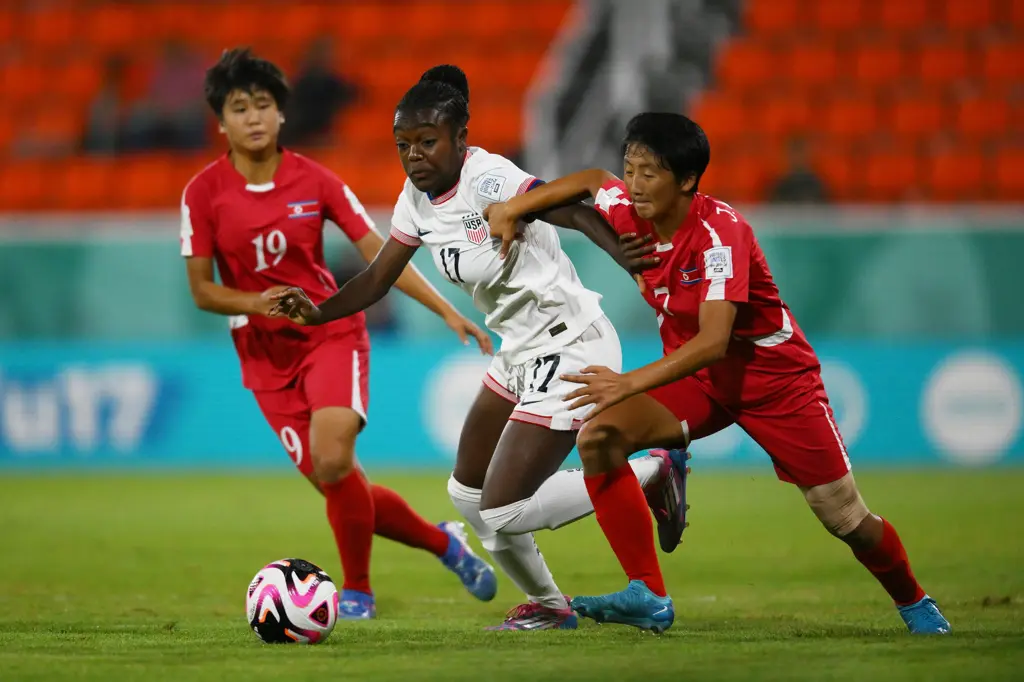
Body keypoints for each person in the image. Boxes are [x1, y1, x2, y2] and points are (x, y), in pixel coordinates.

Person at [483, 112, 951, 636]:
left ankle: (916, 603)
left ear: (686, 181)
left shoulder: (720, 235)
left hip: (773, 383)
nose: (633, 186)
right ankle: (648, 593)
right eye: (631, 169)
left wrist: (627, 383)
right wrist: (513, 208)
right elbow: (593, 181)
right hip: (701, 382)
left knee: (844, 517)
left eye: (649, 174)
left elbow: (714, 341)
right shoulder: (630, 212)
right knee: (600, 436)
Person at [272, 65, 689, 631]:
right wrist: (318, 311)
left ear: (460, 139)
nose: (414, 155)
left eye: (427, 142)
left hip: (570, 346)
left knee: (502, 509)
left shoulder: (488, 178)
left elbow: (568, 208)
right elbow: (378, 277)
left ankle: (650, 470)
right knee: (466, 493)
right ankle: (550, 607)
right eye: (403, 145)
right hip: (518, 352)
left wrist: (629, 260)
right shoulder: (415, 201)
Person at [180, 48, 499, 621]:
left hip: (329, 333)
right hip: (262, 353)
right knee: (340, 483)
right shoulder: (202, 194)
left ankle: (358, 593)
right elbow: (203, 289)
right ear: (220, 121)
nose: (253, 117)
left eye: (263, 105)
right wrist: (258, 303)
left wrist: (445, 311)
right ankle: (445, 542)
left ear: (281, 115)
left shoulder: (316, 180)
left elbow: (379, 253)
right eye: (238, 107)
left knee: (333, 460)